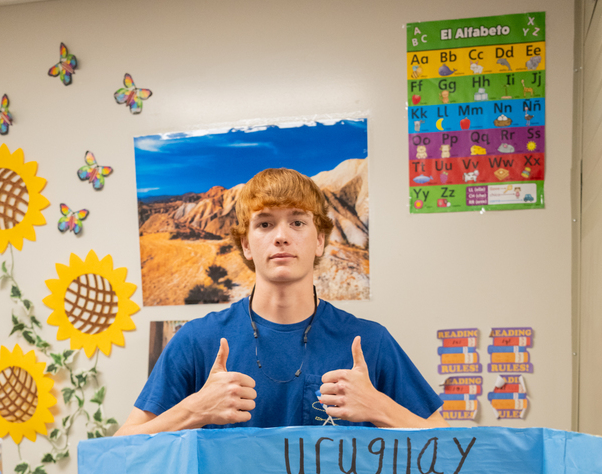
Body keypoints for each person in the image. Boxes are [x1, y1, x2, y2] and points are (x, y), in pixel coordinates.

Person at [116, 168, 444, 435]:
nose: (281, 236)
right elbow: (118, 450)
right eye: (265, 223)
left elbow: (453, 447)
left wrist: (380, 408)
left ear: (319, 241)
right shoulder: (198, 342)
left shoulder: (369, 343)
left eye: (298, 221)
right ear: (246, 244)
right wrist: (193, 411)